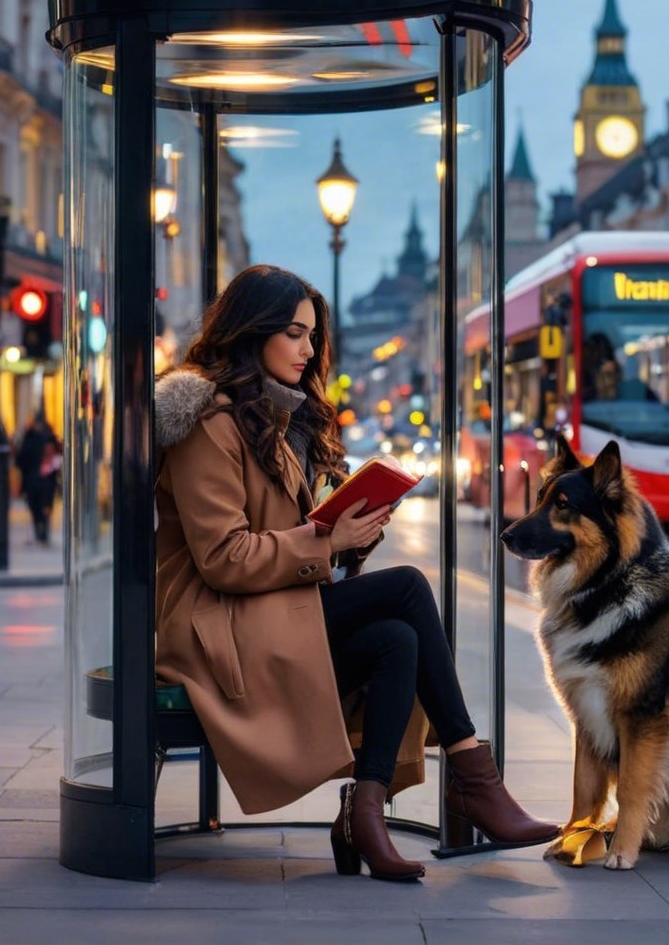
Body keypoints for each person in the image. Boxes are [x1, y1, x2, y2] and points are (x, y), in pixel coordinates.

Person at [154, 264, 558, 882]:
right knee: (408, 587)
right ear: (251, 330)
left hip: (262, 612)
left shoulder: (272, 421)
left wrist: (350, 534)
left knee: (397, 640)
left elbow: (287, 545)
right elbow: (223, 558)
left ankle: (363, 814)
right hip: (214, 628)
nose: (308, 350)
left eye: (313, 336)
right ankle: (472, 773)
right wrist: (325, 538)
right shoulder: (209, 424)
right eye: (293, 333)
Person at [15, 414, 61, 545]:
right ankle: (44, 532)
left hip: (33, 480)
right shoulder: (49, 439)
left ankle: (39, 530)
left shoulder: (29, 438)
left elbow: (20, 460)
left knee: (35, 506)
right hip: (46, 480)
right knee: (45, 506)